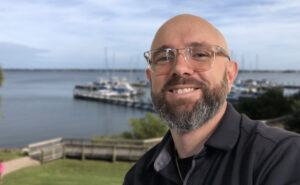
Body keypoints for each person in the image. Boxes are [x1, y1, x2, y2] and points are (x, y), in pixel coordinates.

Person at [123, 14, 300, 185]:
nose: (179, 68)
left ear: (230, 75)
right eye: (163, 57)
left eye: (200, 54)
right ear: (150, 78)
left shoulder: (284, 158)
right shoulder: (139, 176)